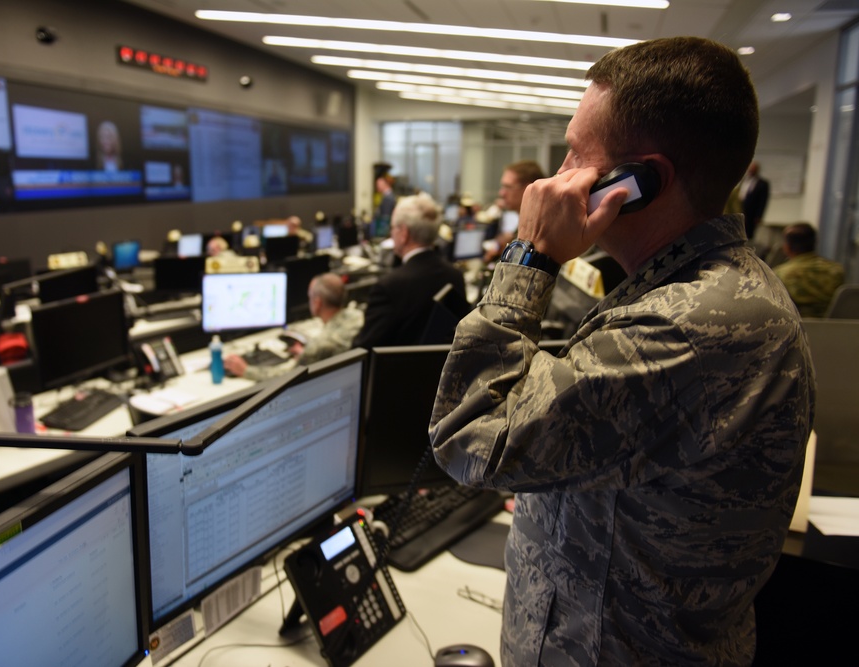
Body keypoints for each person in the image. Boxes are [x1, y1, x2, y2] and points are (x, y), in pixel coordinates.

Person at [429, 36, 815, 666]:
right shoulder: (694, 291)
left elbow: (469, 437)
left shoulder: (688, 324)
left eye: (576, 155)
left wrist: (531, 256)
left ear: (637, 183)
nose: (555, 179)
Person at [352, 192, 470, 348]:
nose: (391, 233)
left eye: (393, 228)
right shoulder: (455, 275)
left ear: (404, 234)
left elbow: (363, 349)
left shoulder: (388, 287)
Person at [224, 273, 363, 381]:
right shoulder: (357, 316)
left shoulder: (318, 347)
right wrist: (307, 354)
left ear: (318, 302)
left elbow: (286, 377)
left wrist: (245, 370)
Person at [773, 223, 845, 317]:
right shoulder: (836, 270)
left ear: (787, 247)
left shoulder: (779, 274)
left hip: (795, 328)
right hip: (833, 328)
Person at [739, 160, 770, 241]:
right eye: (750, 169)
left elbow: (763, 201)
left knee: (749, 232)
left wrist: (759, 216)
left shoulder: (762, 183)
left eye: (753, 169)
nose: (751, 171)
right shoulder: (744, 181)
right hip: (741, 209)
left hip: (752, 212)